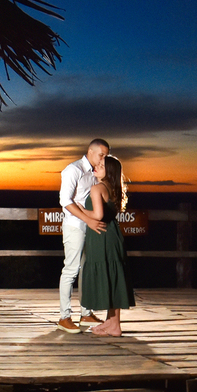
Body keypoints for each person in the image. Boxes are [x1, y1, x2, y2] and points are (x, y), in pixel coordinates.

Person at [56, 138, 110, 332]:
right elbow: (65, 201)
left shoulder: (95, 173)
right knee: (70, 269)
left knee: (87, 270)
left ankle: (86, 314)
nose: (103, 159)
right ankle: (64, 317)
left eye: (106, 156)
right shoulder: (73, 170)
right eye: (101, 155)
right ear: (90, 150)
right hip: (74, 226)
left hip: (90, 227)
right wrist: (88, 220)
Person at [81, 154, 134, 336]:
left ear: (108, 171)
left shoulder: (97, 188)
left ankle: (114, 325)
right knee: (112, 275)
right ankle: (111, 323)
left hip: (101, 235)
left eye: (101, 165)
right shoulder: (112, 187)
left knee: (107, 274)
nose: (96, 166)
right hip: (112, 234)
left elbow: (97, 215)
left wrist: (78, 208)